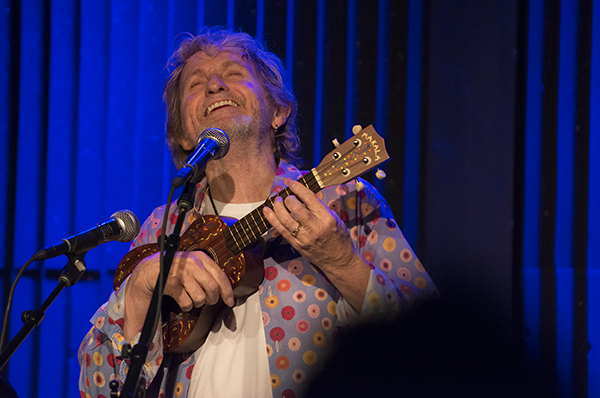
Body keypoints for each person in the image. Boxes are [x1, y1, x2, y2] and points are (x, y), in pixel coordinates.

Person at [78, 27, 437, 398]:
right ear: (184, 134)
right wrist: (138, 291)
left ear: (279, 111)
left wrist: (343, 263)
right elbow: (96, 387)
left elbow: (435, 348)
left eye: (234, 74)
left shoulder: (345, 202)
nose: (215, 85)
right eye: (196, 85)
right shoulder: (162, 226)